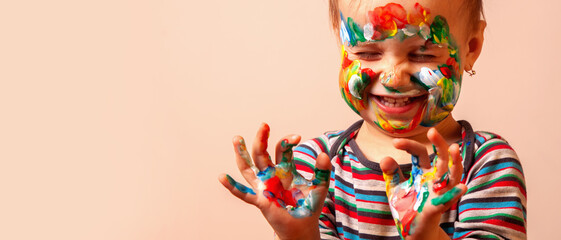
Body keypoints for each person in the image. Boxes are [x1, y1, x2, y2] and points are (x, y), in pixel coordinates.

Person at [218, 0, 527, 239]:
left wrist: (429, 235)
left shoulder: (486, 163)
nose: (393, 77)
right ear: (343, 47)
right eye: (367, 52)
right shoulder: (315, 167)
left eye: (423, 54)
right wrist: (298, 235)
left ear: (471, 47)